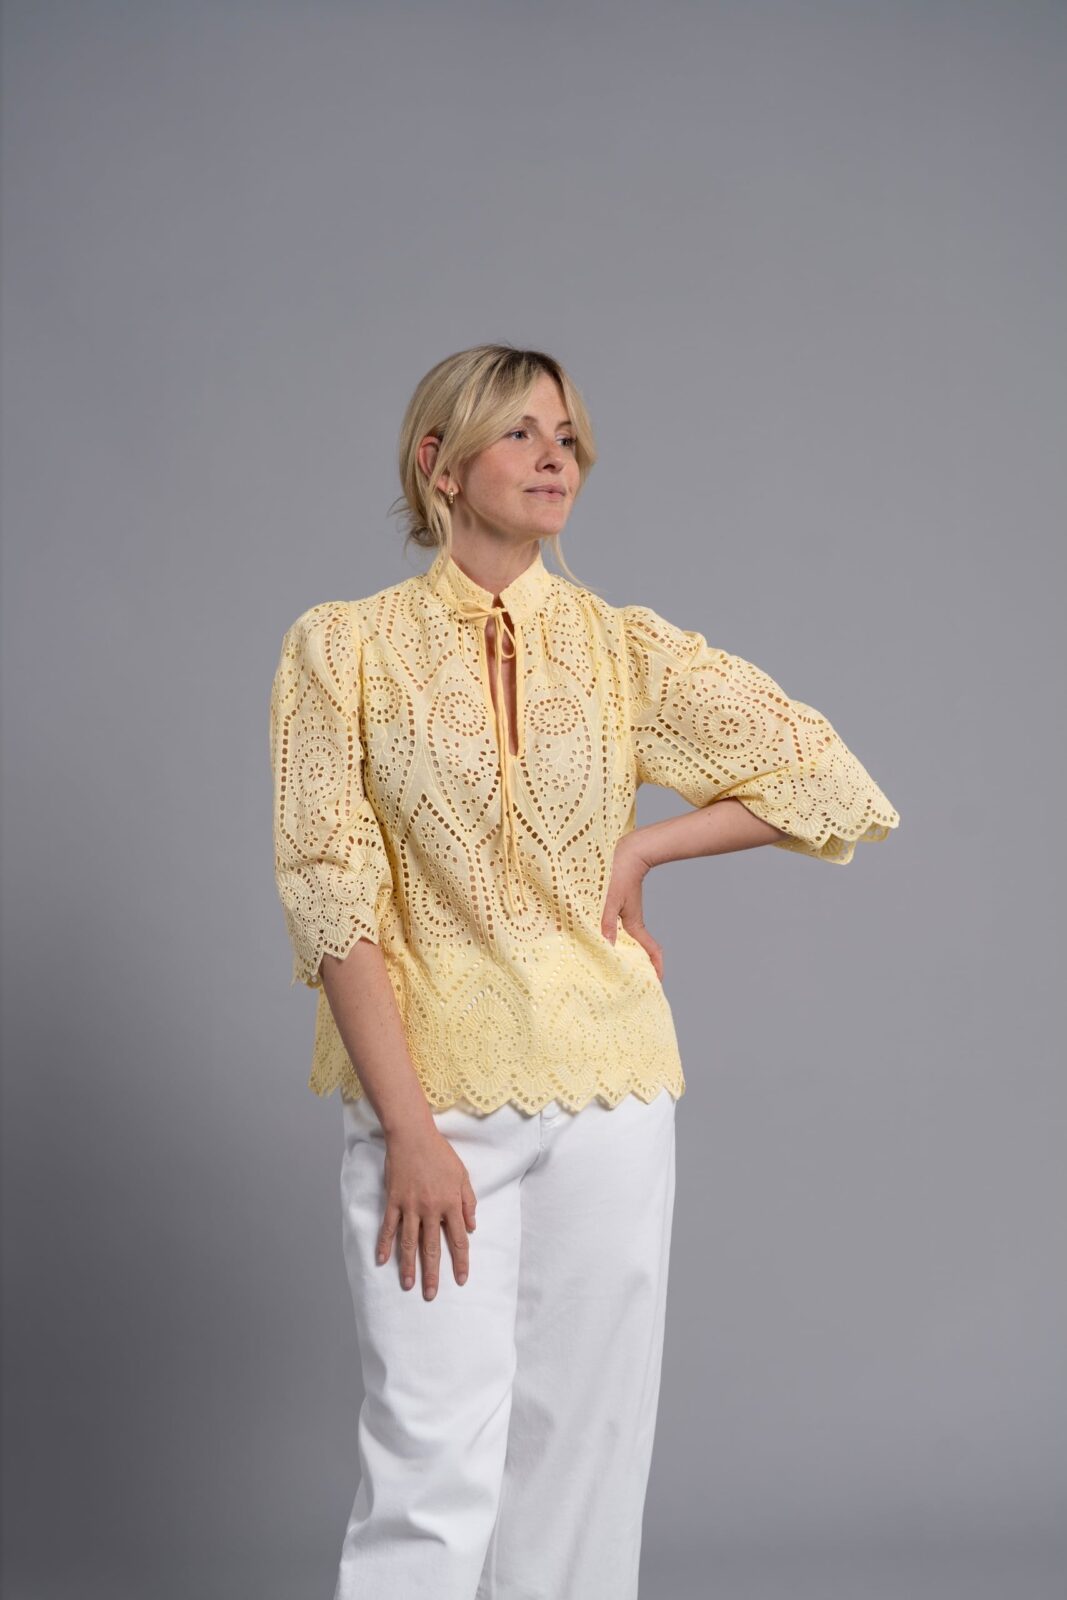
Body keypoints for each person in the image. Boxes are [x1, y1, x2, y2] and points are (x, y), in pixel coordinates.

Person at [268, 344, 900, 1600]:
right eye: (518, 432)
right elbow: (331, 898)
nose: (554, 455)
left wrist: (643, 843)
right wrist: (409, 1130)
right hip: (433, 1098)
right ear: (438, 463)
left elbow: (823, 775)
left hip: (610, 1088)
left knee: (584, 1458)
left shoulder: (620, 650)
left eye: (564, 434)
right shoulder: (344, 650)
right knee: (429, 1450)